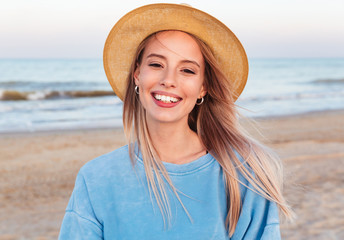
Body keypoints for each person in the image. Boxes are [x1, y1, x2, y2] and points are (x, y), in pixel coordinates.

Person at [59, 3, 293, 239]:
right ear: (137, 75)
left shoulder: (243, 177)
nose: (168, 80)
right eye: (156, 64)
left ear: (203, 87)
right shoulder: (96, 179)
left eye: (188, 70)